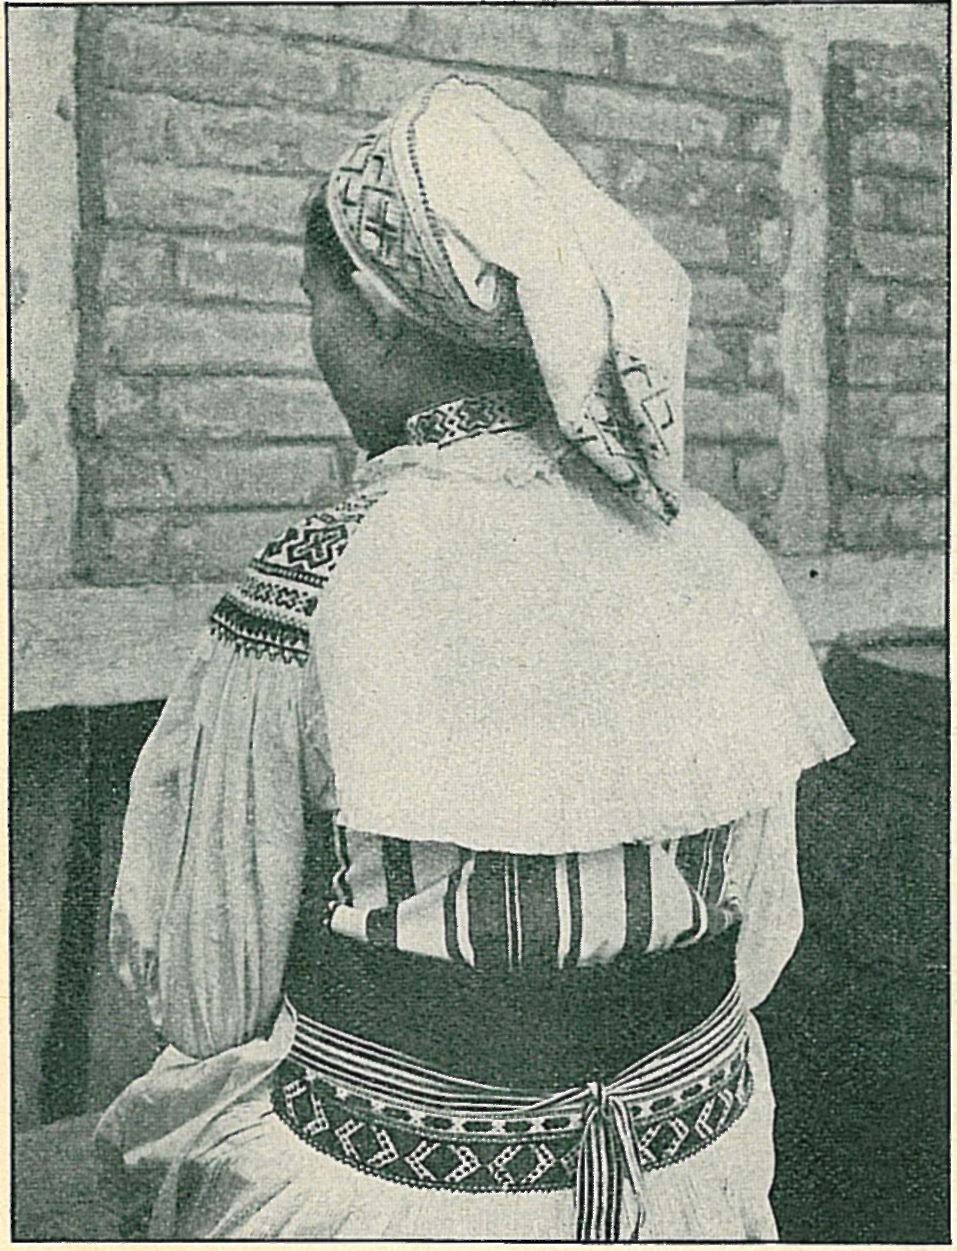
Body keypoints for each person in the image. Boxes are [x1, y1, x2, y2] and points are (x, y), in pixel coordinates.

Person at [95, 76, 853, 1241]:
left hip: (393, 1203)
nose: (319, 343)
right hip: (693, 1172)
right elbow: (761, 939)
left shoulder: (317, 581)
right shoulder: (704, 545)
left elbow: (207, 994)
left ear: (380, 313)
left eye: (315, 306)